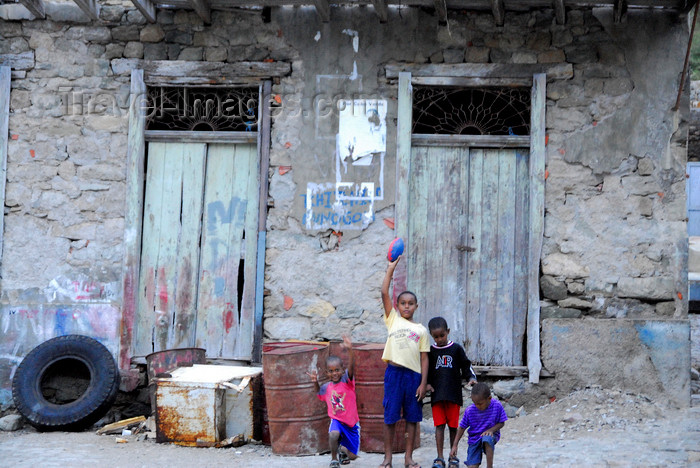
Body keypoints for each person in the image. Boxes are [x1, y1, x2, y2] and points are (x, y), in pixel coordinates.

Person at [378, 256, 430, 468]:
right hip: (393, 374)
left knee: (412, 419)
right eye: (402, 303)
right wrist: (390, 270)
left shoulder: (421, 330)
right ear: (397, 306)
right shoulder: (393, 320)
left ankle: (408, 459)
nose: (406, 306)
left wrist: (423, 383)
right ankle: (387, 458)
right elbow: (383, 293)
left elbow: (424, 358)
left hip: (413, 377)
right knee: (390, 417)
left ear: (416, 306)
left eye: (410, 304)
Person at [426, 316, 477, 468]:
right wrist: (427, 384)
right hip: (437, 396)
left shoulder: (456, 349)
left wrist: (471, 377)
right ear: (431, 335)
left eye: (442, 335)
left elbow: (466, 365)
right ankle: (440, 457)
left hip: (453, 395)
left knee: (453, 427)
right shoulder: (430, 352)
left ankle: (453, 456)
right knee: (439, 426)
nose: (439, 339)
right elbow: (426, 371)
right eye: (436, 336)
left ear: (448, 332)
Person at [309, 335, 360, 468]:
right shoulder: (326, 387)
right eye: (331, 371)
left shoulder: (347, 382)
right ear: (327, 373)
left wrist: (350, 351)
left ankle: (343, 451)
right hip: (337, 419)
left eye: (337, 370)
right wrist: (315, 382)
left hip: (351, 423)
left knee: (353, 456)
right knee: (333, 433)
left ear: (343, 371)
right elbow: (319, 393)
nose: (334, 373)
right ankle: (334, 459)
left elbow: (352, 368)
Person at [449, 383, 507, 468]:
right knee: (472, 466)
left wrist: (491, 430)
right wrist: (455, 445)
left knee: (487, 438)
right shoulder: (470, 410)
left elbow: (502, 422)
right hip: (474, 439)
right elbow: (462, 427)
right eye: (475, 403)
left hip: (491, 435)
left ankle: (489, 466)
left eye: (480, 404)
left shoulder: (497, 406)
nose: (477, 406)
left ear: (489, 398)